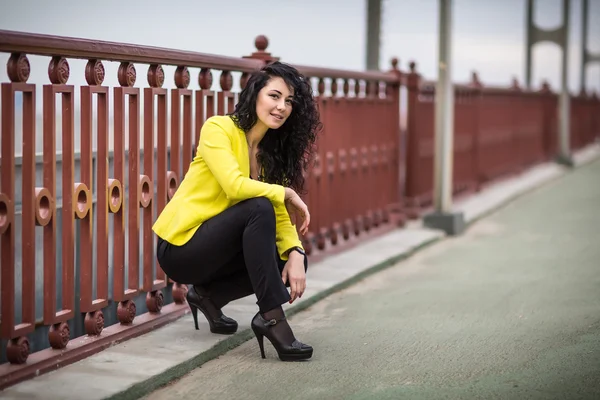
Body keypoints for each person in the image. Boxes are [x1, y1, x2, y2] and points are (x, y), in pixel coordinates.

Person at [153, 61, 322, 362]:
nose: (282, 107)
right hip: (182, 248)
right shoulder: (218, 128)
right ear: (255, 93)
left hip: (218, 254)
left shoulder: (271, 153)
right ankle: (272, 319)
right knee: (258, 206)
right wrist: (284, 192)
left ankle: (207, 296)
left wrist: (295, 252)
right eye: (274, 96)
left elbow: (280, 216)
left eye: (289, 101)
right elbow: (234, 186)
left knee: (289, 258)